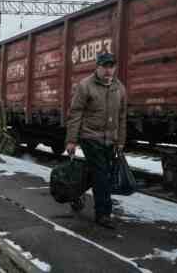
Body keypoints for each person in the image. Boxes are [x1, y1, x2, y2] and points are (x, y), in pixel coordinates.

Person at [65, 52, 127, 229]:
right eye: (105, 66)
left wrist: (120, 142)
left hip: (110, 139)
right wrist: (71, 140)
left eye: (111, 66)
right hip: (90, 137)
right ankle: (103, 214)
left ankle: (75, 193)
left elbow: (122, 117)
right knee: (102, 175)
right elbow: (75, 113)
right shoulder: (85, 86)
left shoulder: (119, 88)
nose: (108, 70)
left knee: (97, 173)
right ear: (97, 67)